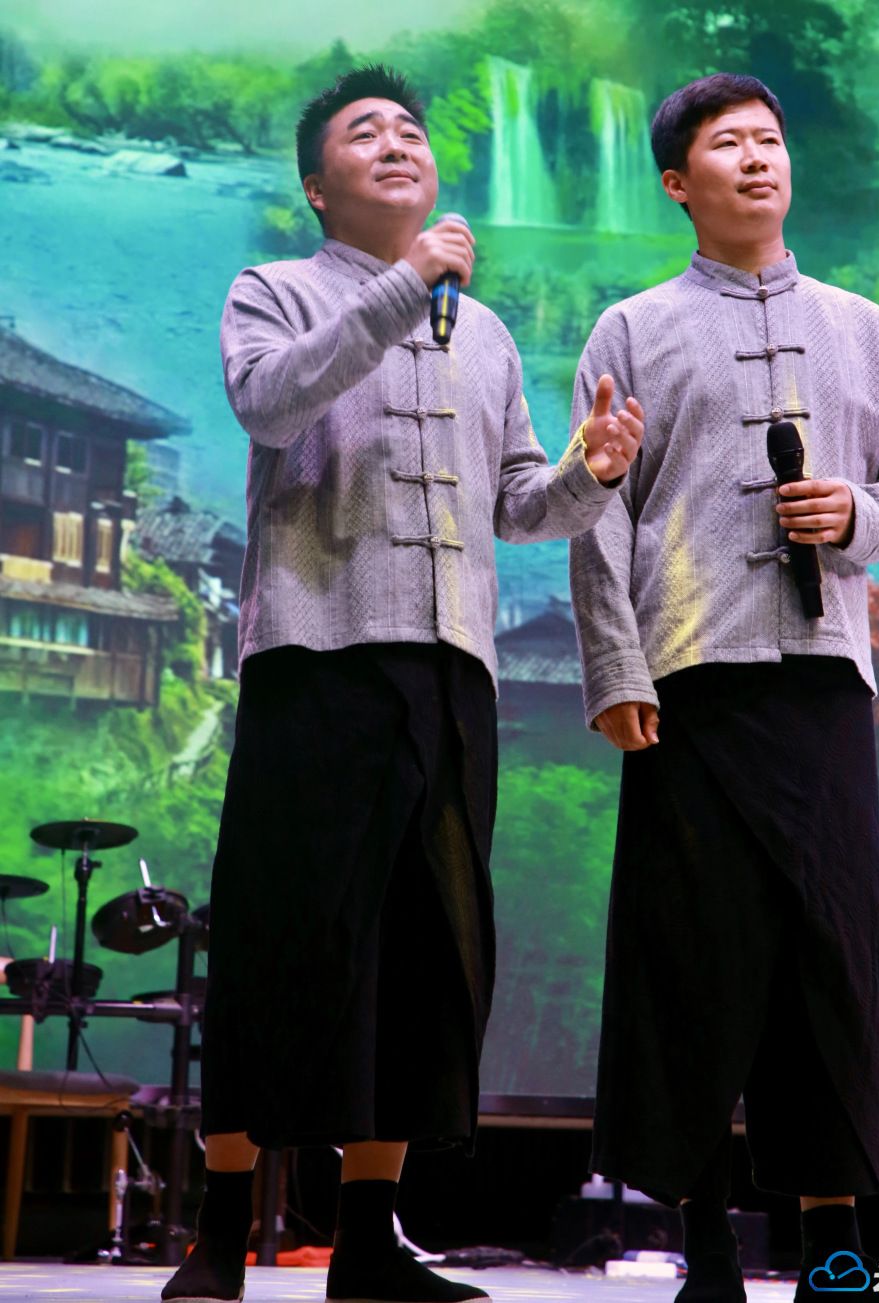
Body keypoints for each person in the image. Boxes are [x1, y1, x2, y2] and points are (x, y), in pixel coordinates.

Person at [162, 63, 644, 1303]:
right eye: (363, 132)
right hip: (318, 658)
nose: (396, 142)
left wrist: (593, 472)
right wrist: (404, 283)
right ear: (318, 188)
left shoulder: (484, 334)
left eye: (411, 130)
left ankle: (370, 1238)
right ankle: (220, 1227)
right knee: (283, 936)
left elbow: (519, 504)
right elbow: (269, 406)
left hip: (453, 670)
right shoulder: (273, 289)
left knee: (426, 947)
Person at [568, 73, 879, 1303]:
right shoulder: (631, 330)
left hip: (824, 683)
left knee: (830, 962)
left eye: (769, 140)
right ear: (676, 182)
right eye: (726, 144)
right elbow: (596, 516)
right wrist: (615, 666)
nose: (755, 159)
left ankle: (833, 1251)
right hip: (690, 688)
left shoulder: (861, 325)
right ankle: (708, 1247)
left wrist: (857, 515)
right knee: (693, 962)